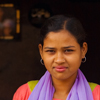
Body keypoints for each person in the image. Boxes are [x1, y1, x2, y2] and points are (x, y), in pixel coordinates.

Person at [13, 15, 100, 100]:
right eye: (51, 51)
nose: (59, 60)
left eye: (68, 50)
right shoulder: (25, 94)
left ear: (83, 50)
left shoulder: (96, 95)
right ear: (41, 52)